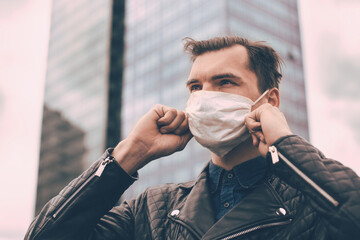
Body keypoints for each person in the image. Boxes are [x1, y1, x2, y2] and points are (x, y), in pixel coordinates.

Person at [25, 36, 360, 240]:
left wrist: (284, 146)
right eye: (195, 87)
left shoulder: (313, 201)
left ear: (269, 101)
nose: (204, 97)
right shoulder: (152, 209)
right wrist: (129, 153)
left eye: (225, 82)